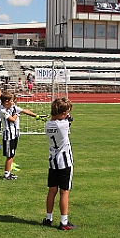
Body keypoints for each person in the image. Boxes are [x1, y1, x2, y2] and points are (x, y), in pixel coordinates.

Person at [42, 97, 78, 230]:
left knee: (52, 190)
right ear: (62, 113)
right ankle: (64, 222)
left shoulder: (48, 124)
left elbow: (65, 118)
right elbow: (68, 120)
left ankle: (48, 218)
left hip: (53, 161)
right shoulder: (63, 124)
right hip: (64, 161)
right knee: (64, 191)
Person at [0, 91, 41, 180]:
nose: (13, 102)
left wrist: (36, 116)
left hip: (15, 134)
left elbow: (24, 110)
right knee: (9, 155)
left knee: (12, 154)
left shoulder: (13, 107)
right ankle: (6, 174)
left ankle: (9, 172)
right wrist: (17, 114)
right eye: (11, 101)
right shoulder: (2, 110)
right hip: (8, 135)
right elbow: (12, 119)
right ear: (6, 102)